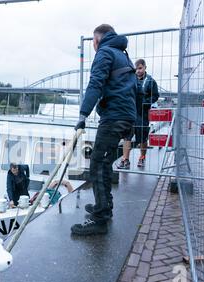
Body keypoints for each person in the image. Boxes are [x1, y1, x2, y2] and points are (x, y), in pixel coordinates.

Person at [72, 24, 137, 236]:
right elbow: (131, 89)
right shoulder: (123, 55)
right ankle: (105, 208)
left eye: (93, 41)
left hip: (113, 117)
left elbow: (96, 84)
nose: (92, 45)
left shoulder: (105, 53)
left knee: (98, 165)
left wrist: (83, 115)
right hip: (126, 116)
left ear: (98, 39)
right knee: (106, 163)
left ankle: (99, 220)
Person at [117, 59, 160, 169]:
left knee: (143, 139)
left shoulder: (151, 81)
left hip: (143, 114)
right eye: (136, 69)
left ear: (145, 67)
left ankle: (142, 157)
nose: (138, 71)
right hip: (130, 112)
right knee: (127, 137)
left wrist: (146, 102)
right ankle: (125, 160)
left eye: (140, 68)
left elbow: (155, 96)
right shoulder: (130, 80)